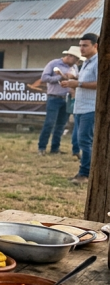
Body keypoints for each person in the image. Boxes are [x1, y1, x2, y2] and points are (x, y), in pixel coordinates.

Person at [61, 33, 99, 184]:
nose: (81, 49)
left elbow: (100, 83)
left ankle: (85, 174)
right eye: (80, 45)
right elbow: (84, 81)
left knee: (85, 141)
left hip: (90, 107)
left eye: (85, 45)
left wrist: (78, 84)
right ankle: (84, 172)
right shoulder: (86, 62)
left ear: (95, 46)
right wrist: (73, 81)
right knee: (78, 139)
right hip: (80, 106)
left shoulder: (98, 62)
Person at [38, 46, 81, 156]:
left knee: (61, 125)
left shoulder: (74, 67)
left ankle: (55, 148)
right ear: (69, 56)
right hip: (54, 97)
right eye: (76, 59)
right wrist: (60, 78)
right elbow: (44, 78)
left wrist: (74, 78)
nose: (77, 62)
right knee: (50, 123)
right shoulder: (54, 64)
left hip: (67, 98)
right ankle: (42, 147)